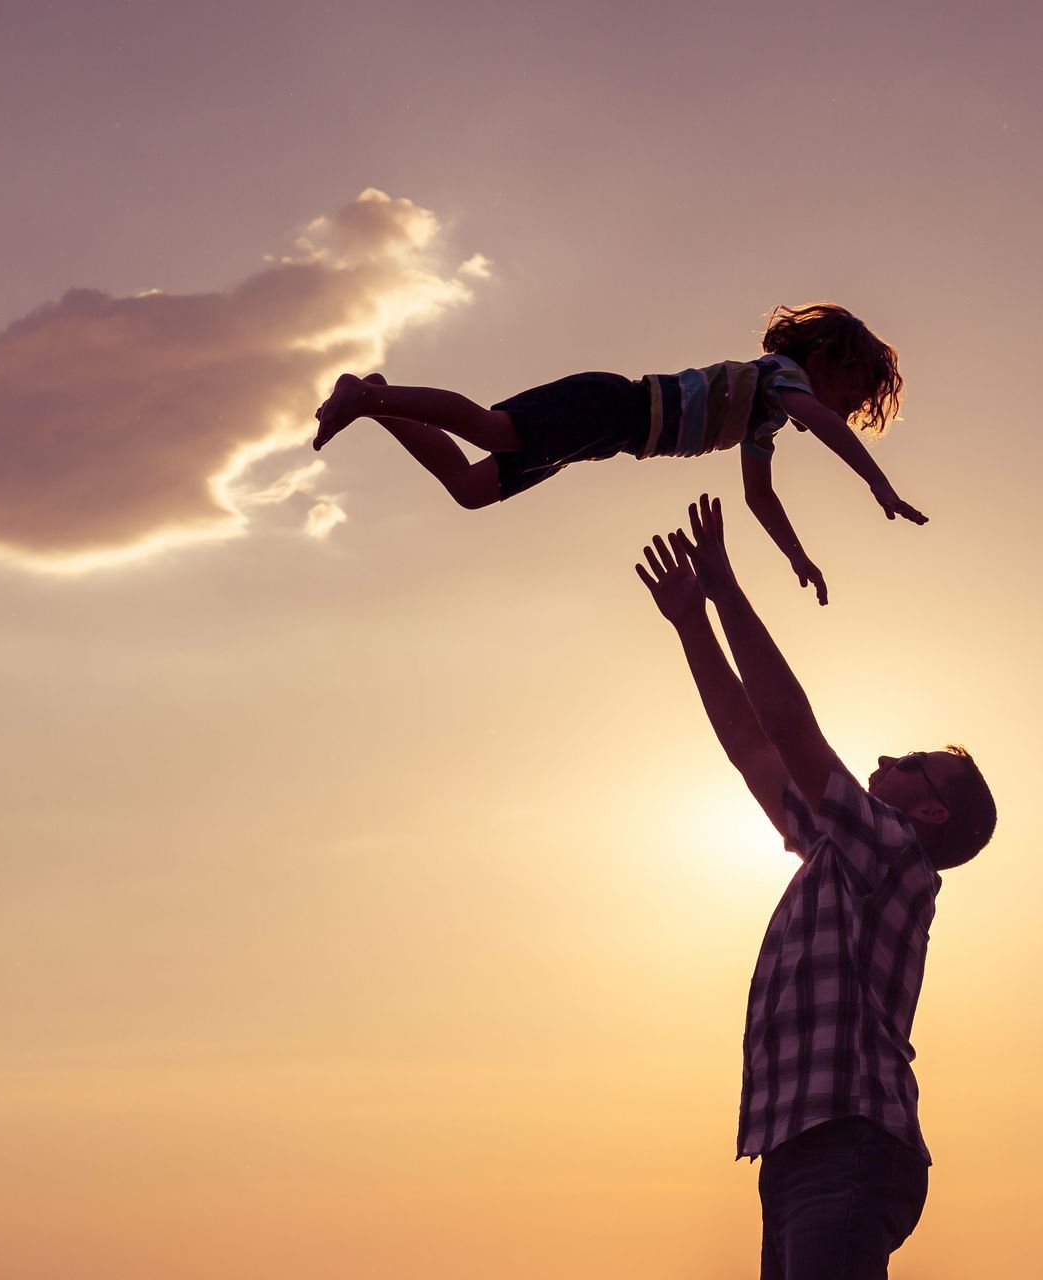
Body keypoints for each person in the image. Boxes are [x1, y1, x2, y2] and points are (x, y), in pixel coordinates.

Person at [634, 494, 997, 1278]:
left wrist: (727, 592)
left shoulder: (895, 852)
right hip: (803, 1146)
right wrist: (693, 624)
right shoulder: (843, 852)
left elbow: (791, 728)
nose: (894, 757)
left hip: (850, 1139)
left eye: (915, 765)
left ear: (929, 809)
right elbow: (756, 751)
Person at [313, 304, 926, 604]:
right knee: (489, 429)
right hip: (609, 407)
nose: (848, 412)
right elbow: (820, 420)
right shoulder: (781, 376)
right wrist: (878, 483)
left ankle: (378, 400)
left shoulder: (763, 417)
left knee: (471, 488)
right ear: (828, 362)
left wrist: (798, 556)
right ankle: (366, 395)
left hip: (604, 437)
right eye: (854, 395)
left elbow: (759, 495)